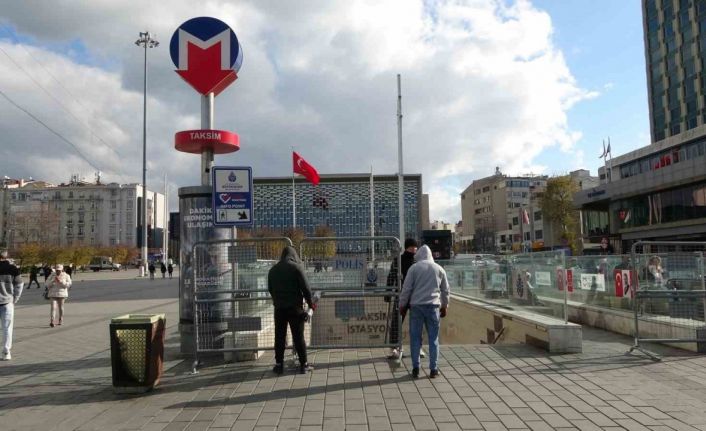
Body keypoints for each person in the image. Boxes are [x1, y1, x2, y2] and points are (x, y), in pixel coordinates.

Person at [399, 245, 450, 379]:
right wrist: (445, 306)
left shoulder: (414, 269)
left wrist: (402, 305)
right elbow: (445, 291)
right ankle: (433, 369)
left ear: (419, 255)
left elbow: (406, 289)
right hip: (433, 307)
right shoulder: (439, 269)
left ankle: (416, 368)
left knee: (415, 337)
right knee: (433, 339)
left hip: (416, 307)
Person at [268, 246, 314, 375]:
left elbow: (270, 289)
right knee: (298, 337)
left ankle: (279, 365)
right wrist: (311, 305)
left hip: (279, 309)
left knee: (279, 337)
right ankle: (303, 365)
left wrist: (277, 300)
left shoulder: (273, 270)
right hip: (295, 308)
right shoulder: (296, 268)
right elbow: (306, 289)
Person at [385, 238, 418, 360]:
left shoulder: (417, 260)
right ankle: (394, 348)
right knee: (396, 322)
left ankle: (418, 348)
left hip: (415, 296)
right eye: (411, 248)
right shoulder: (398, 260)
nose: (414, 250)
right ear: (406, 248)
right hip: (401, 295)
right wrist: (388, 293)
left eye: (415, 248)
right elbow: (391, 276)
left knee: (417, 322)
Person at [0, 251, 23, 360]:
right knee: (7, 328)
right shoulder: (13, 269)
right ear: (6, 257)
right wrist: (15, 298)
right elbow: (19, 284)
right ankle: (6, 351)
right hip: (7, 302)